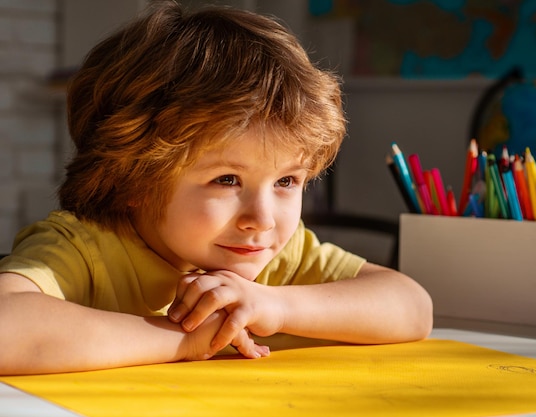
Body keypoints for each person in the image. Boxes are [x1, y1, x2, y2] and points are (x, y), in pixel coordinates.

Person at [0, 0, 432, 375]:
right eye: (227, 180)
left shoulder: (274, 257)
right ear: (132, 178)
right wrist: (182, 341)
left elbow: (412, 307)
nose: (261, 220)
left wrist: (274, 305)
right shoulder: (83, 248)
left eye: (286, 180)